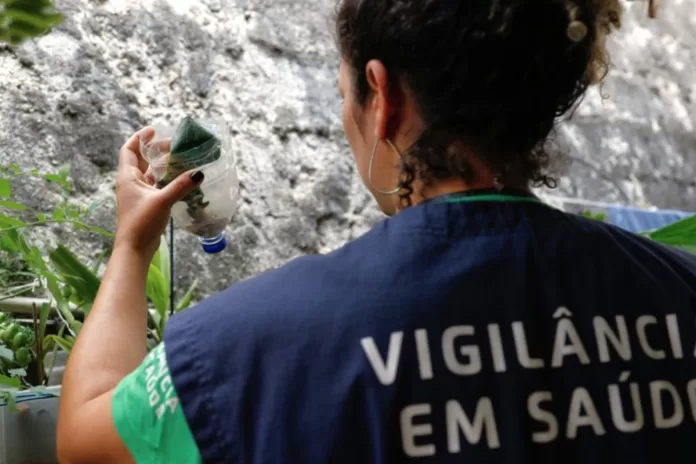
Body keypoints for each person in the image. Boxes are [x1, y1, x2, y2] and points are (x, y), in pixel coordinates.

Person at [56, 0, 696, 463]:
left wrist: (133, 242)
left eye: (345, 94)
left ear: (382, 97)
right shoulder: (680, 291)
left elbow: (85, 438)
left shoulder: (244, 351)